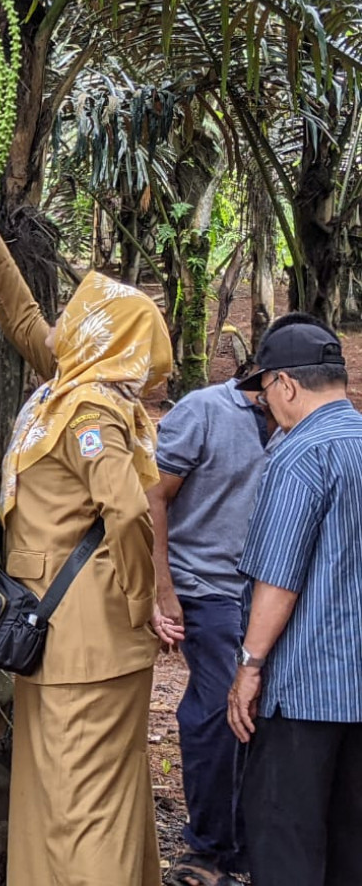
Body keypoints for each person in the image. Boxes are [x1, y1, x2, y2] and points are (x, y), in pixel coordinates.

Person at [0, 215, 175, 886]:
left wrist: (142, 602)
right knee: (65, 793)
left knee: (86, 803)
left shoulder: (84, 409)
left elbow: (127, 510)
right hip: (68, 635)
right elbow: (20, 312)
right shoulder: (69, 385)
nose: (63, 327)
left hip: (89, 640)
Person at [227, 318, 362, 886]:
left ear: (285, 384)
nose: (266, 408)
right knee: (350, 844)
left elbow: (278, 581)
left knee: (284, 841)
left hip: (303, 691)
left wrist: (250, 667)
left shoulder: (299, 455)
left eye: (264, 394)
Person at [148, 365, 275, 886]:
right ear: (274, 380)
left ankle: (246, 843)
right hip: (207, 590)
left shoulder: (302, 420)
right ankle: (206, 850)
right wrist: (164, 590)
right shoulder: (202, 410)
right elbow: (155, 496)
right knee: (218, 711)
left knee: (265, 714)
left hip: (269, 591)